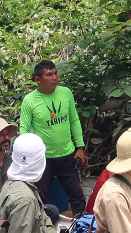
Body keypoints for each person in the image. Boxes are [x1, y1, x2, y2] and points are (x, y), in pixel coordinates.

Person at [20, 60, 87, 215]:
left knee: (77, 197)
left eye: (55, 73)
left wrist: (80, 148)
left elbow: (74, 121)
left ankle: (80, 229)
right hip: (43, 157)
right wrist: (27, 157)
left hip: (67, 154)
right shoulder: (30, 100)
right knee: (40, 198)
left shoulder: (66, 93)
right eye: (49, 75)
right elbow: (23, 130)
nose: (55, 77)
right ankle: (42, 231)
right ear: (38, 79)